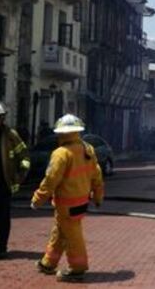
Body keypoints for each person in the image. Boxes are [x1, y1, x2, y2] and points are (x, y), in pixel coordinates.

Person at [31, 114, 104, 282]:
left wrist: (38, 199)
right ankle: (48, 263)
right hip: (81, 202)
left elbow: (50, 180)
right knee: (60, 232)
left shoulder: (61, 154)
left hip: (66, 203)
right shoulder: (87, 149)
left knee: (72, 236)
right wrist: (98, 196)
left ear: (61, 133)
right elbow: (97, 175)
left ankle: (77, 269)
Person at [0, 102, 31, 258]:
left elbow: (24, 156)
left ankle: (1, 247)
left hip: (3, 184)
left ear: (2, 119)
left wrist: (20, 175)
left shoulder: (11, 135)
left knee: (3, 217)